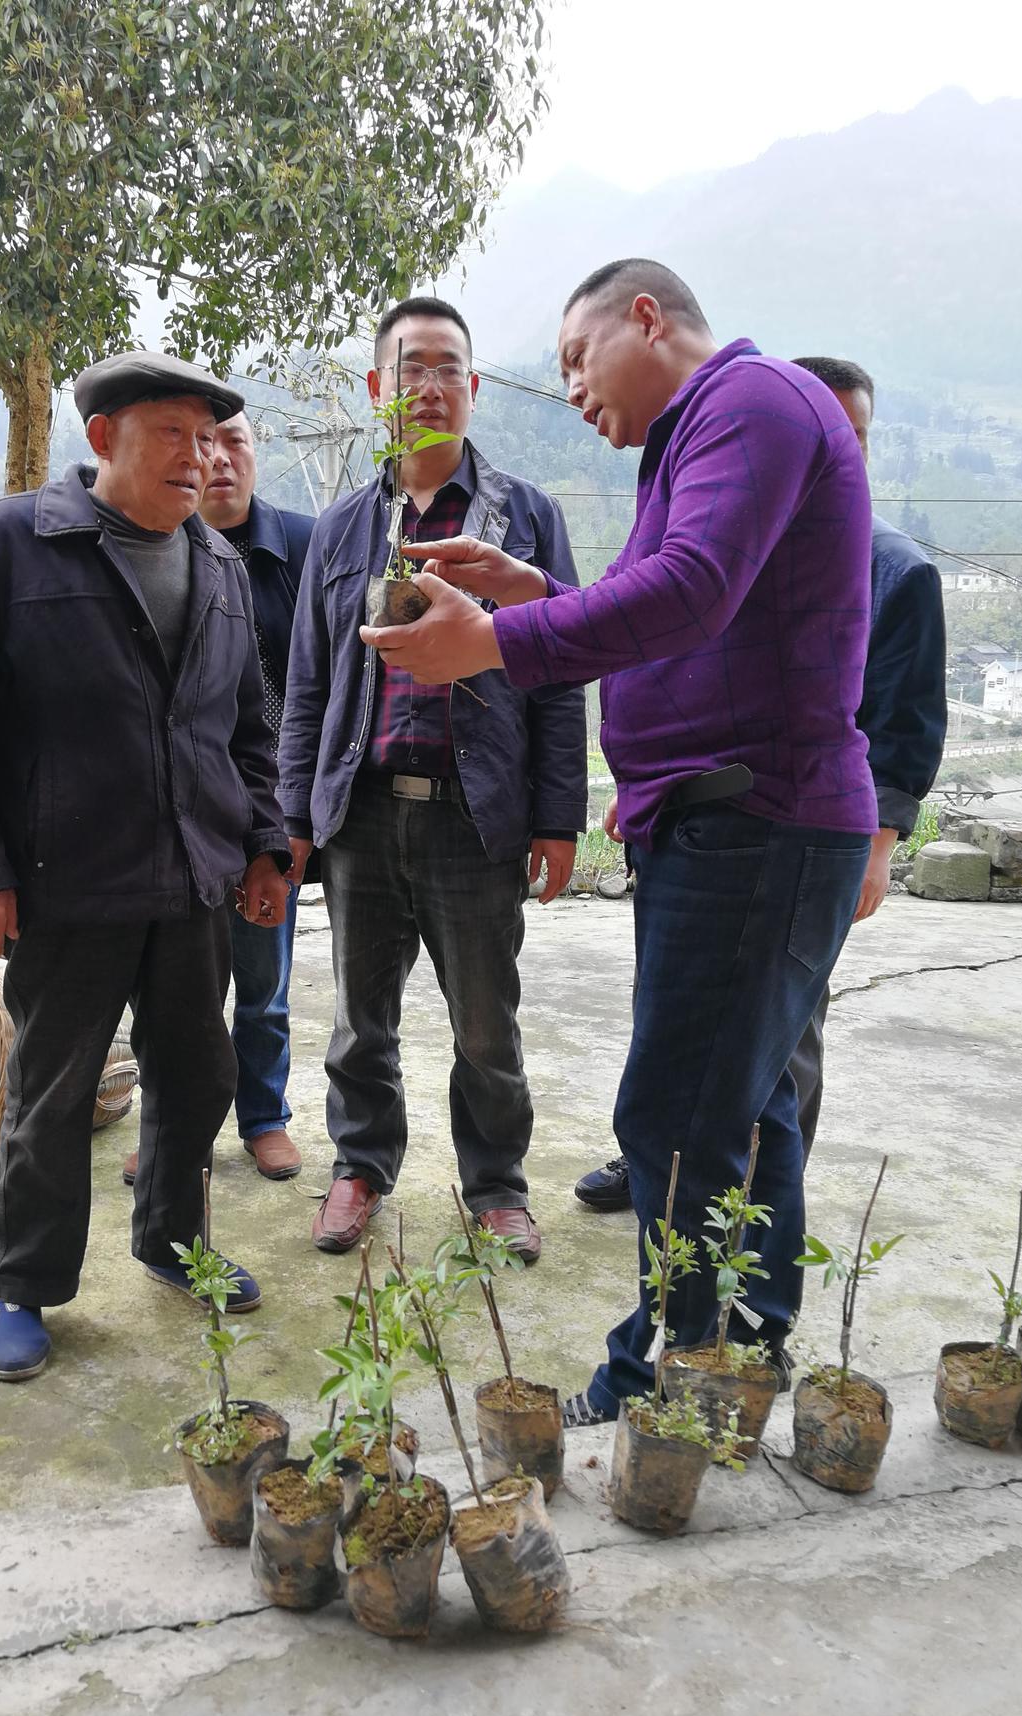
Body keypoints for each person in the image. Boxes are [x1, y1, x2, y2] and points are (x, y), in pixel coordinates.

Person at [360, 261, 876, 1422]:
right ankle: (742, 1339)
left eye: (579, 357)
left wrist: (493, 641)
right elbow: (684, 606)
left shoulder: (749, 403)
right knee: (748, 1103)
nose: (574, 389)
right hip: (734, 820)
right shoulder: (702, 433)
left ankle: (662, 1377)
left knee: (676, 1115)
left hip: (756, 823)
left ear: (647, 317)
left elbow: (686, 593)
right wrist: (530, 590)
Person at [0, 351, 291, 1381]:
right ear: (101, 438)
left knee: (198, 1067)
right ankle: (22, 1283)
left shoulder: (214, 562)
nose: (199, 457)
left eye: (210, 438)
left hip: (192, 876)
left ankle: (171, 1238)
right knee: (53, 1087)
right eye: (173, 433)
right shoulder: (7, 544)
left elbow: (247, 728)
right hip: (65, 877)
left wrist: (264, 841)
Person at [574, 353, 947, 1212]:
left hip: (794, 828)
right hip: (696, 828)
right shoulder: (739, 536)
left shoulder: (894, 568)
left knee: (777, 1046)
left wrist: (880, 847)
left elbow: (903, 726)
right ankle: (665, 1172)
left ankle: (755, 1217)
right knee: (683, 1030)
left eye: (852, 443)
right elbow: (685, 674)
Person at [276, 296, 588, 1260]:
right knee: (358, 1024)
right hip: (362, 817)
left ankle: (495, 1186)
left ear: (474, 389)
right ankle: (360, 1169)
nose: (430, 385)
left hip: (477, 817)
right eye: (410, 368)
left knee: (488, 1029)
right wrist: (296, 815)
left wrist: (558, 818)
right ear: (378, 391)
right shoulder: (339, 531)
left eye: (449, 367)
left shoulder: (524, 518)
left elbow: (561, 674)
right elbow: (307, 687)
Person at [121, 411, 315, 1185]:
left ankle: (263, 1116)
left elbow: (328, 678)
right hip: (179, 811)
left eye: (237, 442)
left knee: (262, 982)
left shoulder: (304, 545)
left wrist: (297, 813)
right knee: (171, 993)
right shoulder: (152, 548)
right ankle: (173, 1131)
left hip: (266, 807)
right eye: (208, 444)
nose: (222, 460)